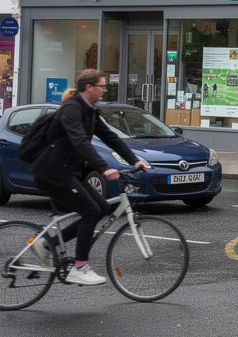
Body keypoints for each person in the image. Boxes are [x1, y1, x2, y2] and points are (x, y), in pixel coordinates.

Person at [31, 69, 151, 286]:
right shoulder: (72, 110)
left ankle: (46, 244)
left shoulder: (90, 110)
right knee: (91, 211)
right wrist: (104, 168)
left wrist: (134, 160)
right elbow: (80, 142)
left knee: (102, 208)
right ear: (89, 87)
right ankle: (80, 267)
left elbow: (110, 137)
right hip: (53, 172)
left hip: (69, 171)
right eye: (102, 85)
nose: (105, 89)